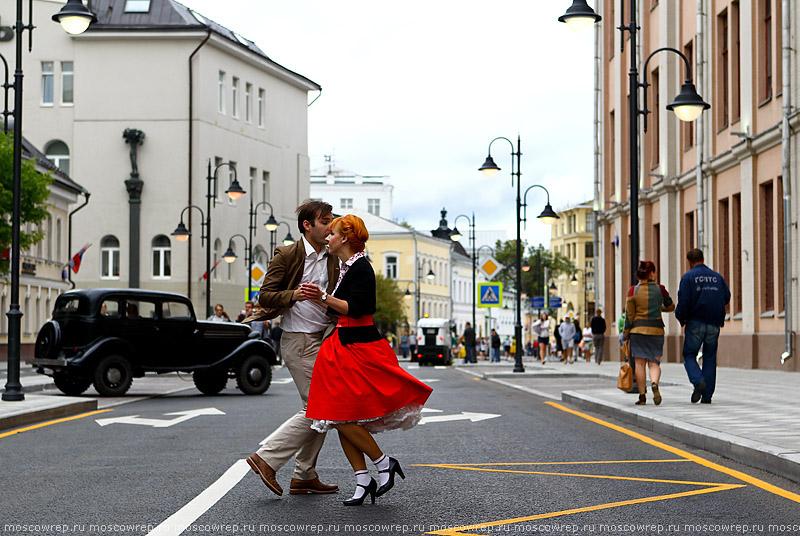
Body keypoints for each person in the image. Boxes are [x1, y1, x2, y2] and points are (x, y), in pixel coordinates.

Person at [302, 214, 433, 506]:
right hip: (342, 345)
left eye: (332, 233)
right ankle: (363, 480)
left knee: (339, 415)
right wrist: (321, 298)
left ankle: (383, 463)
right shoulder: (348, 267)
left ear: (345, 238)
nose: (327, 238)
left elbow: (359, 308)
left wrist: (322, 297)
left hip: (357, 347)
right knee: (342, 416)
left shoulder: (361, 267)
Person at [246, 200, 340, 497]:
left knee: (320, 409)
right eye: (325, 221)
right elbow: (265, 296)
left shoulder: (332, 256)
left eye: (331, 221)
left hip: (322, 339)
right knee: (320, 408)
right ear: (307, 226)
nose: (330, 226)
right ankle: (267, 458)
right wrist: (295, 294)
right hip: (297, 341)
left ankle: (304, 475)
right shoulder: (288, 254)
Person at [675, 248, 731, 404]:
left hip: (695, 322)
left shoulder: (688, 277)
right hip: (714, 323)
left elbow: (684, 301)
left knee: (689, 354)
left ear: (689, 262)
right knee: (710, 357)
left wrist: (681, 317)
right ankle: (707, 395)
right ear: (703, 258)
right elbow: (726, 297)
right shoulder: (717, 277)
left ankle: (698, 380)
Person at [624, 260, 675, 406]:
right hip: (656, 330)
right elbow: (671, 306)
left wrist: (626, 333)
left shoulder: (632, 291)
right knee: (654, 362)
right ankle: (654, 383)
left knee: (639, 364)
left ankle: (642, 396)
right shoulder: (661, 289)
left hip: (638, 331)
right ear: (652, 273)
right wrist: (661, 309)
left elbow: (629, 315)